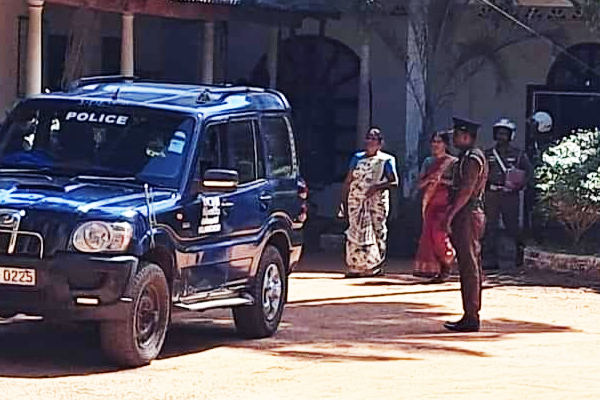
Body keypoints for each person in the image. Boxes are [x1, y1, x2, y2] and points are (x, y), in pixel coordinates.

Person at [443, 117, 489, 333]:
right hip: (468, 212)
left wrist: (451, 214)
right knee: (469, 263)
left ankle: (471, 315)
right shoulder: (468, 157)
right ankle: (470, 313)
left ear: (465, 136)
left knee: (469, 265)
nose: (453, 139)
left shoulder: (472, 159)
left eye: (456, 135)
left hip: (468, 212)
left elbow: (466, 190)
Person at [340, 127, 398, 278]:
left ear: (380, 143)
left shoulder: (386, 160)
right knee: (354, 231)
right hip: (357, 201)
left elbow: (394, 182)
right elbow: (349, 180)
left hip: (376, 202)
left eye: (374, 139)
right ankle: (355, 266)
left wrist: (376, 187)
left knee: (377, 231)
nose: (370, 141)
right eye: (368, 138)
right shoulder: (357, 158)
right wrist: (343, 201)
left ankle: (375, 266)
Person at [483, 118, 533, 270]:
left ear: (510, 136)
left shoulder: (518, 155)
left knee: (512, 226)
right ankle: (490, 259)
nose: (501, 136)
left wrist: (519, 186)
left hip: (510, 195)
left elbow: (529, 172)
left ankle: (519, 254)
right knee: (490, 226)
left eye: (504, 134)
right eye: (499, 133)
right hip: (492, 194)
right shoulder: (488, 154)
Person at [413, 131, 457, 283]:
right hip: (430, 203)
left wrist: (442, 181)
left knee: (440, 235)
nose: (435, 144)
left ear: (446, 144)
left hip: (445, 203)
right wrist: (430, 180)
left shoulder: (452, 162)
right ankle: (438, 270)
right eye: (433, 141)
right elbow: (419, 184)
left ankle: (448, 261)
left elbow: (457, 184)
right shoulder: (428, 162)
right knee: (429, 236)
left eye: (439, 141)